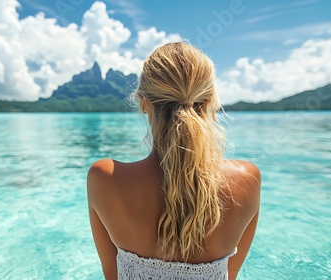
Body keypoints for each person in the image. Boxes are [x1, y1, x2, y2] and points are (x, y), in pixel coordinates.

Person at [87, 42, 261, 280]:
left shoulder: (104, 178)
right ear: (210, 100)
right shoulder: (248, 180)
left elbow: (112, 276)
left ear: (143, 103)